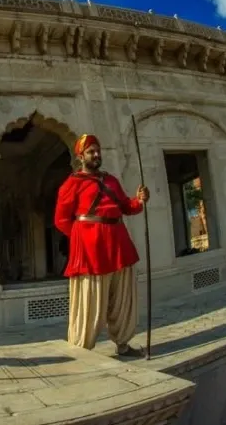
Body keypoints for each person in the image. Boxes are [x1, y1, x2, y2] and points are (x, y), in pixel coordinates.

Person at [54, 134, 149, 357]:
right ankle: (81, 350)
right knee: (90, 301)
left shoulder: (111, 180)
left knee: (122, 298)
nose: (96, 155)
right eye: (91, 152)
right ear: (80, 156)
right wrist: (82, 238)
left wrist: (139, 200)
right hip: (91, 250)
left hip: (119, 245)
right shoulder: (72, 184)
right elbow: (61, 220)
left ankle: (123, 344)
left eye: (98, 151)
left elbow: (127, 207)